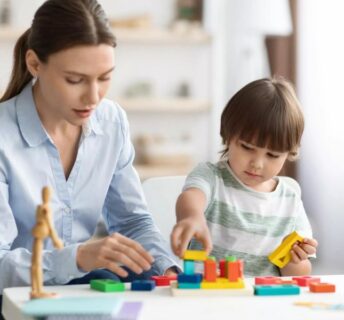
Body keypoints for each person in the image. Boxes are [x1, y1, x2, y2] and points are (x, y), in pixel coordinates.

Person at [0, 0, 179, 305]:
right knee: (106, 280)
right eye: (75, 80)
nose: (93, 97)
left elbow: (133, 223)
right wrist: (79, 258)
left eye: (105, 77)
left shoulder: (112, 122)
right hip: (16, 298)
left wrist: (169, 271)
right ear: (34, 64)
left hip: (80, 290)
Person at [171, 77, 318, 277]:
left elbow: (299, 275)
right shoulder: (212, 177)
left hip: (261, 302)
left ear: (289, 153)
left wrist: (294, 260)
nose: (257, 163)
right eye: (247, 148)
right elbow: (192, 197)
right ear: (228, 135)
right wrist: (192, 216)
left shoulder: (290, 201)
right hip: (209, 296)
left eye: (272, 155)